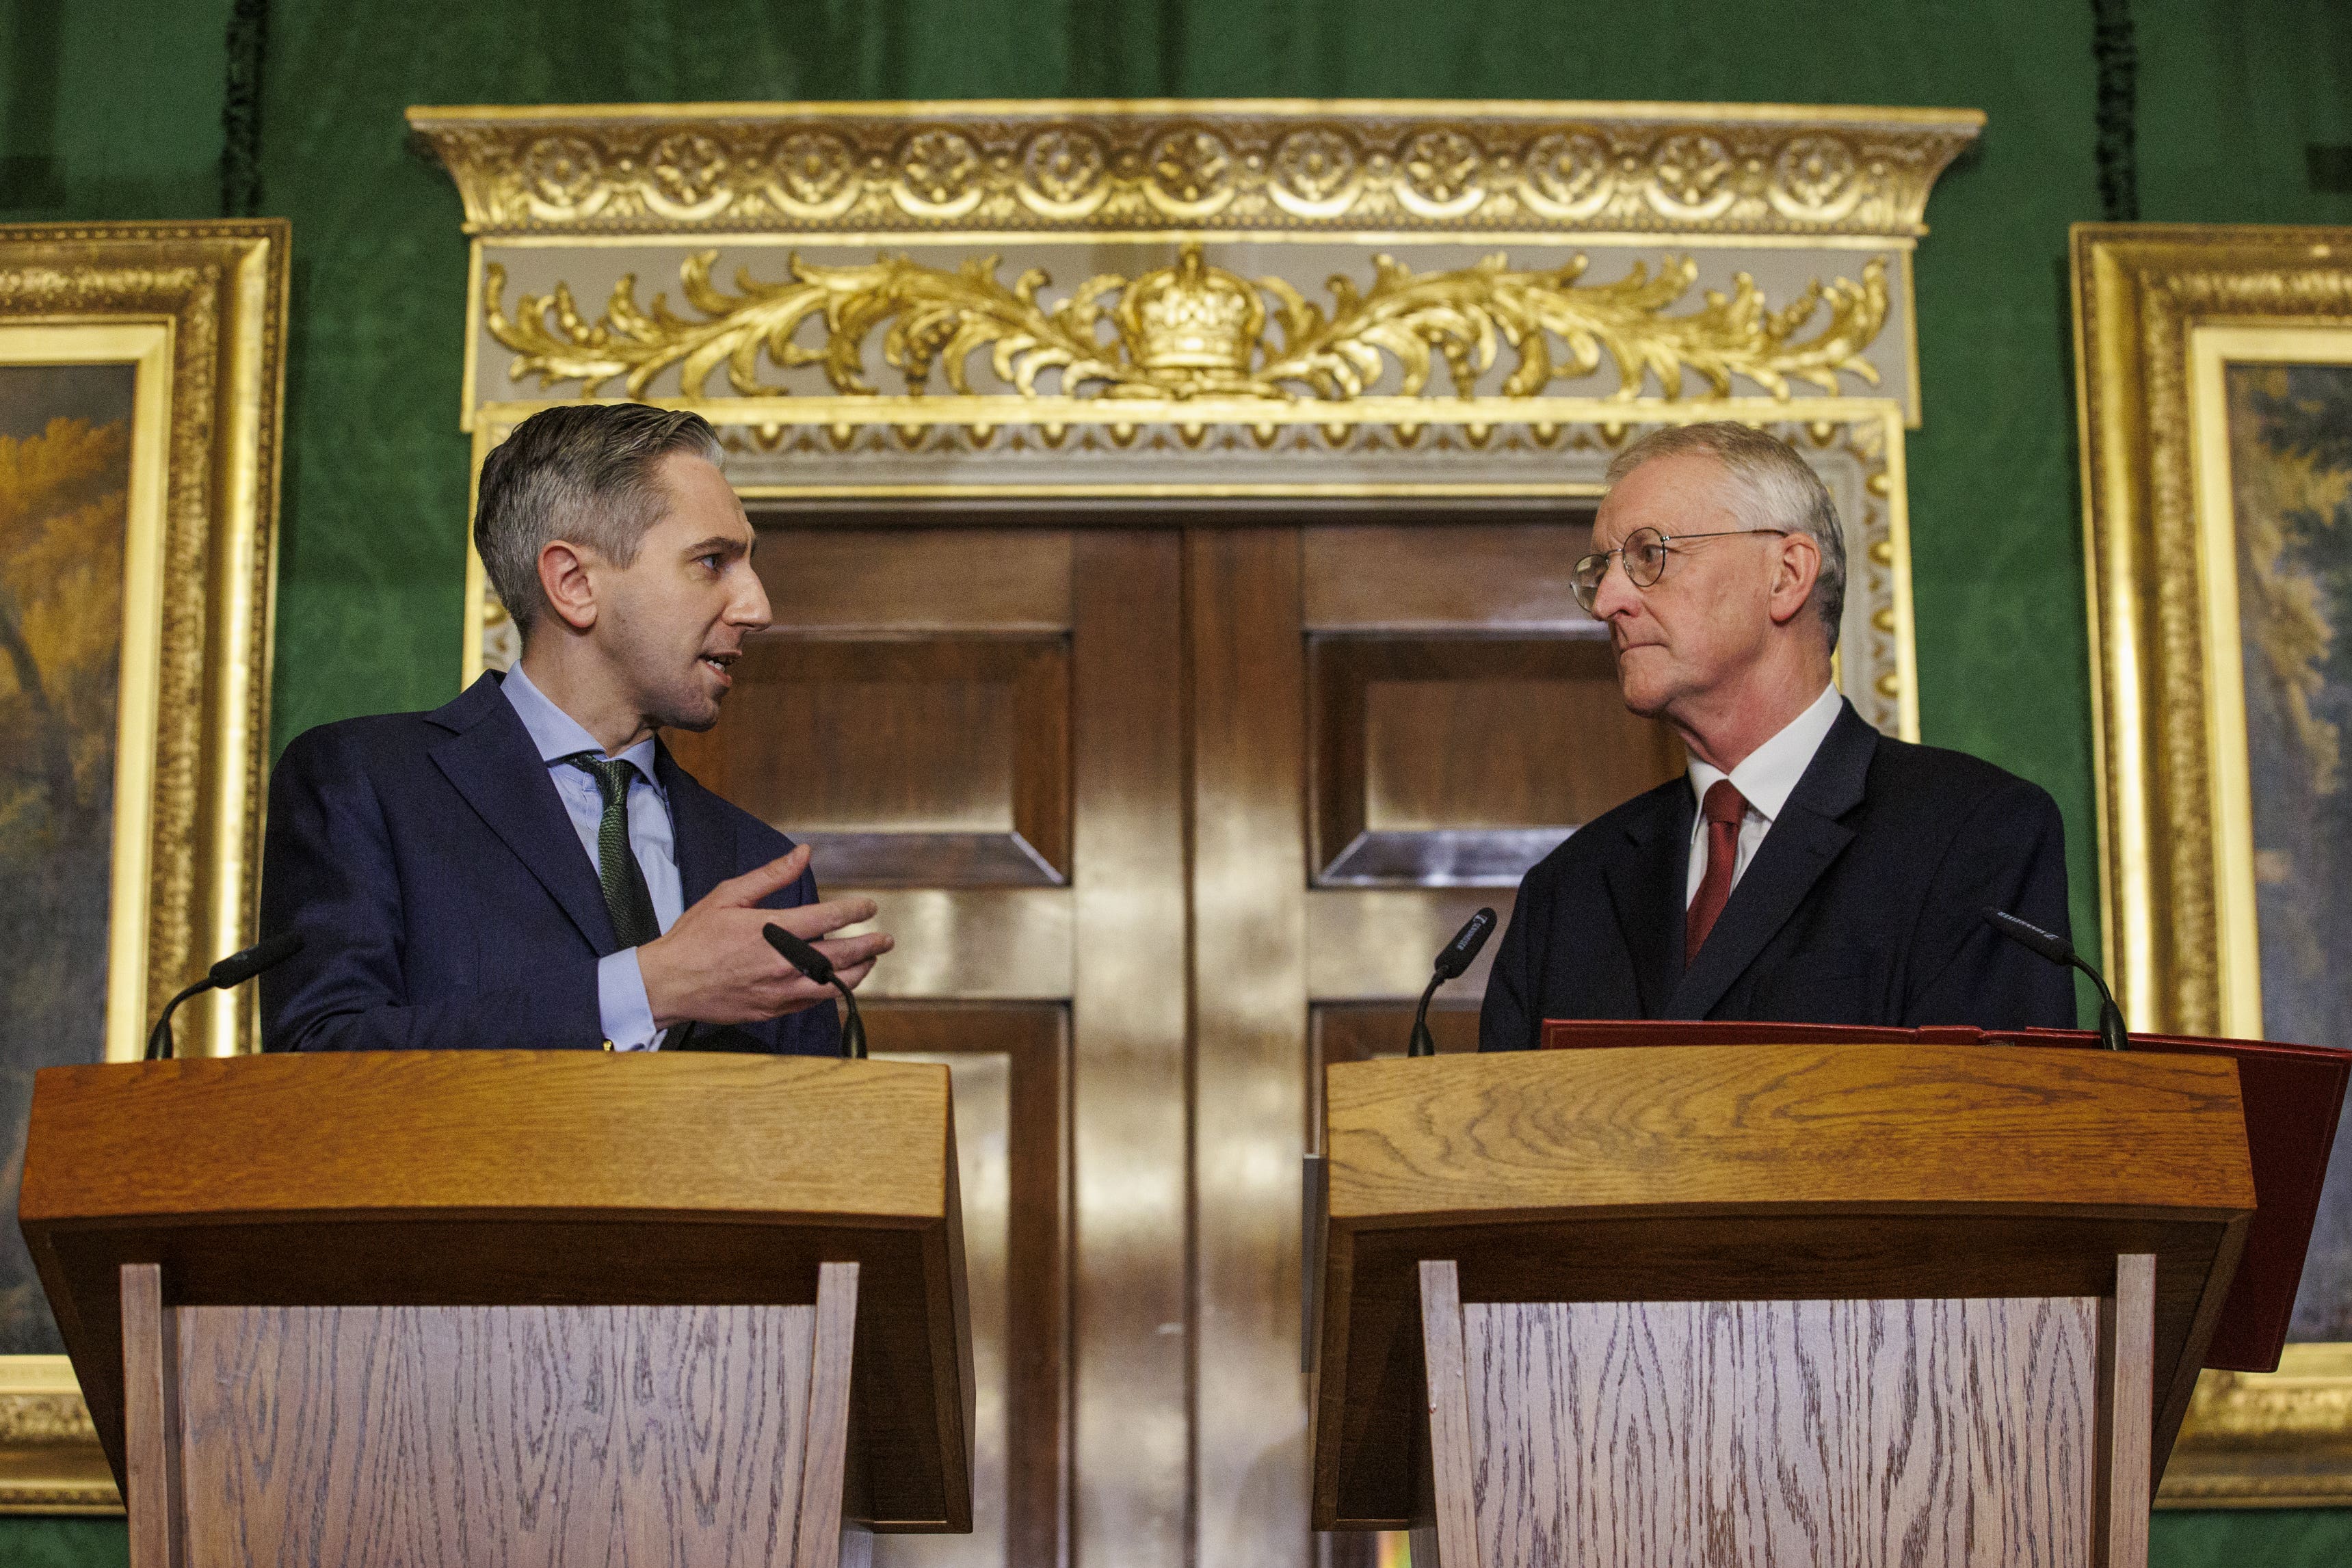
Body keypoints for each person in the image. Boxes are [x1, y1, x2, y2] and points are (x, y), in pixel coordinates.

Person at [260, 403, 890, 1054]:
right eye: (711, 562)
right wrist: (644, 990)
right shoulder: (366, 785)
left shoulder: (764, 866)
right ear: (574, 583)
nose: (757, 607)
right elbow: (321, 1059)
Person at [1479, 421, 2075, 1050]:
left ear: (1787, 575)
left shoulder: (1973, 835)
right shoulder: (1568, 890)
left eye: (1648, 556)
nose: (1607, 602)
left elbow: (1991, 1128)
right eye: (1600, 570)